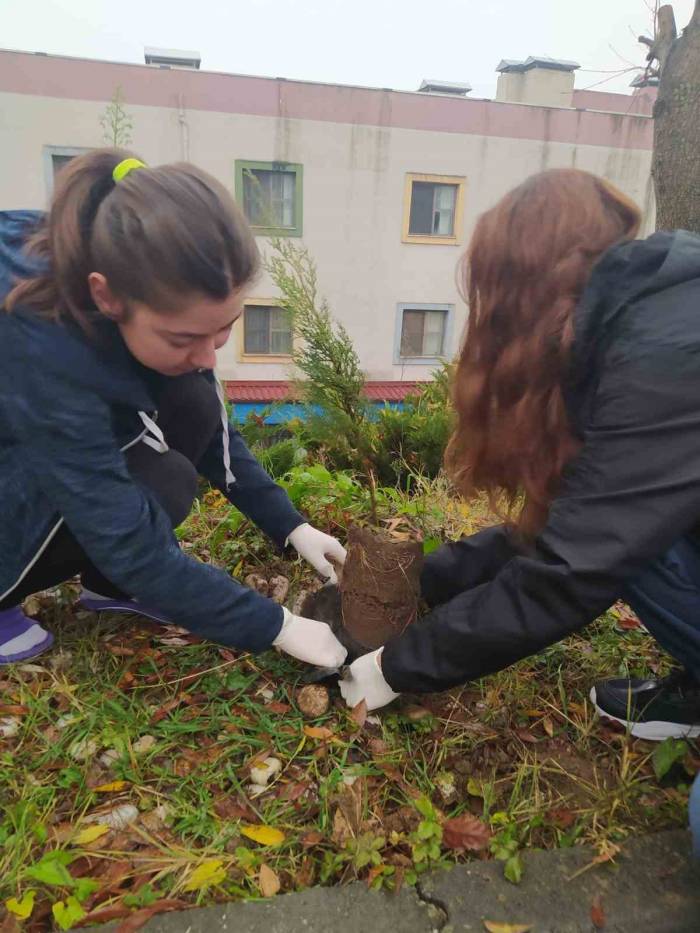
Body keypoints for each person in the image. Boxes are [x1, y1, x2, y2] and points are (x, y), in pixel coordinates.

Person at [340, 168, 700, 746]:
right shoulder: (639, 320)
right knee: (639, 537)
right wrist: (420, 582)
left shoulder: (666, 354)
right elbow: (580, 524)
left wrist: (393, 668)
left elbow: (573, 568)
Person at [0, 149, 347, 671]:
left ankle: (106, 587)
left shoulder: (139, 271)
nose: (210, 355)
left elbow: (210, 427)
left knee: (183, 419)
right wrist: (277, 625)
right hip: (20, 440)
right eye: (185, 336)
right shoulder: (42, 344)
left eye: (223, 328)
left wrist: (292, 527)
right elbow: (122, 535)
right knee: (79, 493)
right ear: (107, 297)